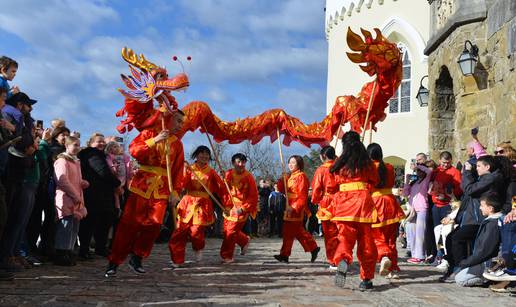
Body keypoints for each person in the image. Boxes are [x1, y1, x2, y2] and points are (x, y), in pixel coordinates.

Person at [105, 110, 185, 276]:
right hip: (141, 186)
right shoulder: (148, 133)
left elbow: (178, 171)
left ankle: (138, 256)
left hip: (162, 189)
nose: (180, 125)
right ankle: (114, 261)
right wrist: (155, 140)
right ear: (168, 119)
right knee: (129, 225)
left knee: (155, 224)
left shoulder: (177, 144)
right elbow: (134, 151)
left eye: (182, 122)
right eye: (178, 121)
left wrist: (175, 192)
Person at [439, 155, 504, 280]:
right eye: (476, 166)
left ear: (487, 167)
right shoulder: (482, 179)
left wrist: (468, 173)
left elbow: (469, 190)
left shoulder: (490, 178)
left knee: (457, 238)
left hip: (480, 219)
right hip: (472, 218)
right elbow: (468, 191)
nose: (477, 168)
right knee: (450, 238)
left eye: (479, 166)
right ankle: (453, 266)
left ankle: (460, 268)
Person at [330, 131, 378, 291]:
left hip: (344, 205)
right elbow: (374, 181)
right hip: (363, 204)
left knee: (344, 238)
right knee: (366, 242)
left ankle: (343, 259)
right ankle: (366, 278)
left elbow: (332, 185)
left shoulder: (339, 163)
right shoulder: (367, 162)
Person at [169, 145, 225, 267]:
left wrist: (226, 181)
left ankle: (198, 247)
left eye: (207, 154)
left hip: (202, 204)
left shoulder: (211, 172)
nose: (204, 156)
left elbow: (221, 188)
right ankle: (177, 259)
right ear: (196, 155)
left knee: (196, 231)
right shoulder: (189, 168)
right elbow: (181, 183)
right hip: (187, 202)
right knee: (180, 231)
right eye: (202, 153)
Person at [78, 133, 121, 259]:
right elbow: (102, 171)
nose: (101, 143)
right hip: (93, 194)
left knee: (104, 221)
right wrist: (116, 183)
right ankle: (85, 250)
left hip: (102, 194)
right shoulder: (91, 154)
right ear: (91, 143)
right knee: (90, 222)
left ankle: (100, 248)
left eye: (103, 141)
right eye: (98, 141)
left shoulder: (101, 155)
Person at [367, 143, 405, 277]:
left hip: (376, 203)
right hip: (390, 202)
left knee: (377, 236)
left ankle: (384, 256)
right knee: (391, 239)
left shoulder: (369, 168)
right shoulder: (389, 167)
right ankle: (393, 268)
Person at [273, 155, 320, 264]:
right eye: (290, 162)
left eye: (293, 162)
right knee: (296, 232)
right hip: (288, 206)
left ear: (299, 164)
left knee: (290, 231)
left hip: (295, 208)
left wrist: (294, 208)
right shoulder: (290, 176)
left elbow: (302, 195)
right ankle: (313, 248)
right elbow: (282, 190)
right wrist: (282, 179)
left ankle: (285, 254)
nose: (290, 164)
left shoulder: (301, 176)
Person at [53, 136, 89, 266]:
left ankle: (69, 251)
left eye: (78, 145)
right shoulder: (62, 161)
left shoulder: (76, 162)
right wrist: (75, 195)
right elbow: (62, 180)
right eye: (74, 144)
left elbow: (75, 179)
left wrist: (82, 183)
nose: (77, 147)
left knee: (74, 226)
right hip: (66, 197)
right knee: (65, 226)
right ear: (67, 146)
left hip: (76, 198)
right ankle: (61, 253)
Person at [454, 193, 503, 286]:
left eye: (482, 206)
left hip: (488, 262)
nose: (480, 208)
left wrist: (465, 263)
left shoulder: (493, 224)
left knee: (460, 279)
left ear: (490, 208)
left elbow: (484, 251)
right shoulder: (490, 221)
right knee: (459, 273)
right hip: (483, 260)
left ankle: (487, 279)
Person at [219, 153, 258, 263]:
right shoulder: (228, 173)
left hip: (241, 207)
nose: (240, 164)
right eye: (238, 162)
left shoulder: (249, 177)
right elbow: (223, 190)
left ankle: (227, 255)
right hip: (229, 206)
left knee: (231, 231)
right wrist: (222, 179)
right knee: (228, 231)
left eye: (243, 162)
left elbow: (253, 196)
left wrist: (243, 208)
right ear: (233, 163)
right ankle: (244, 240)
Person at [311, 145, 338, 269]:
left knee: (330, 233)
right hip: (342, 201)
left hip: (327, 202)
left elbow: (316, 188)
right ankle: (342, 256)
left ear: (323, 156)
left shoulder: (321, 170)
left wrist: (315, 200)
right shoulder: (341, 167)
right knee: (341, 233)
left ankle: (333, 259)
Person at [403, 162, 433, 264]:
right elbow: (405, 193)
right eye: (417, 171)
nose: (419, 172)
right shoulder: (415, 183)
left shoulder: (426, 181)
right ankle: (414, 254)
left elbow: (429, 172)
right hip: (413, 210)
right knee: (411, 230)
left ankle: (420, 256)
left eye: (420, 171)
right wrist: (407, 181)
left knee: (420, 233)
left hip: (422, 209)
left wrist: (418, 166)